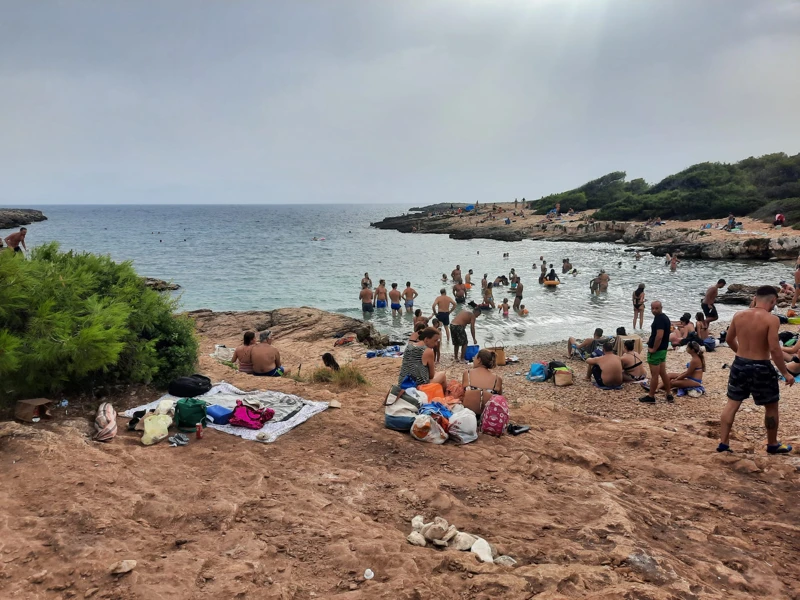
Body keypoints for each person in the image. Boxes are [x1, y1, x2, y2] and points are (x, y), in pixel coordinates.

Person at [719, 285, 793, 454]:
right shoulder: (771, 319)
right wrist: (786, 373)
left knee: (732, 403)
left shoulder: (739, 315)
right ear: (773, 301)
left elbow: (729, 339)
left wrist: (740, 354)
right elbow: (774, 349)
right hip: (761, 366)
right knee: (771, 406)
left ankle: (723, 443)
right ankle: (772, 444)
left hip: (740, 364)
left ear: (755, 297)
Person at [640, 301, 672, 403]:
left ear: (661, 307)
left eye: (656, 308)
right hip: (663, 349)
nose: (654, 310)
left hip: (657, 350)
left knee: (654, 375)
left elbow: (659, 336)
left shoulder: (659, 319)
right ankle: (669, 394)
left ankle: (651, 396)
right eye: (652, 308)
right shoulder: (664, 317)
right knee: (663, 373)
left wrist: (653, 349)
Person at [462, 349, 503, 416]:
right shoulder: (497, 379)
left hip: (469, 415)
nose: (473, 360)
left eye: (474, 358)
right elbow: (500, 399)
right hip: (488, 417)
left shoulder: (467, 373)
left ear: (479, 360)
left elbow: (463, 394)